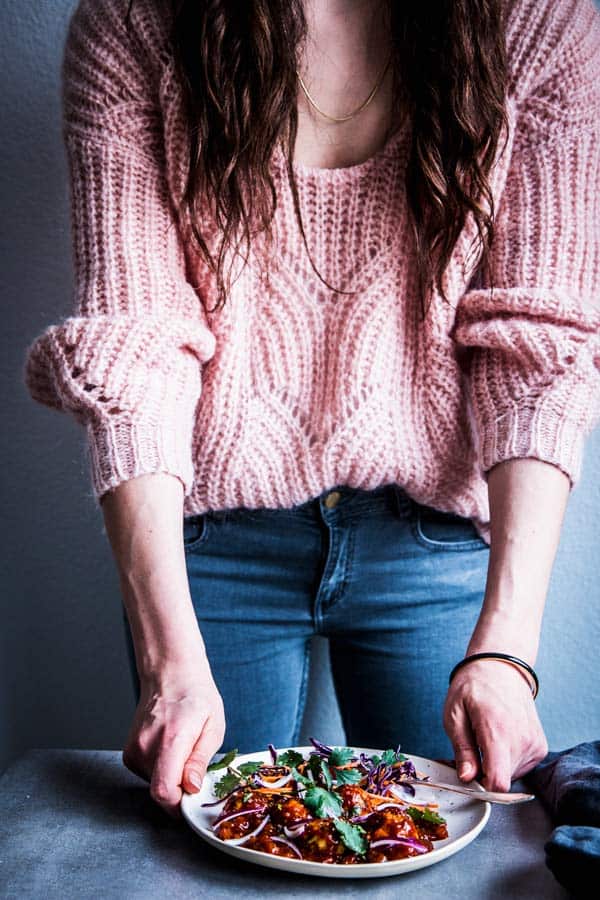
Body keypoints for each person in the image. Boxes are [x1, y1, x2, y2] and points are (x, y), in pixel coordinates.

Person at [23, 0, 600, 822]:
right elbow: (133, 349)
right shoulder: (133, 22)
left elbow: (539, 348)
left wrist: (508, 651)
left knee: (444, 853)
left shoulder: (541, 20)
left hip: (430, 537)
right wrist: (168, 659)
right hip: (210, 545)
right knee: (205, 847)